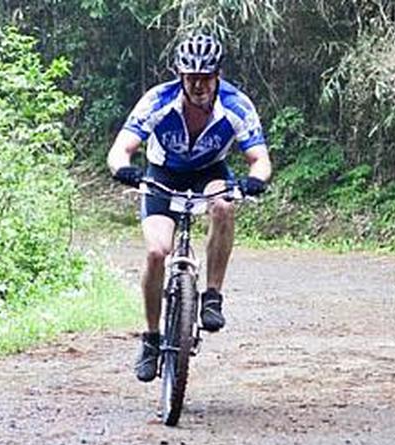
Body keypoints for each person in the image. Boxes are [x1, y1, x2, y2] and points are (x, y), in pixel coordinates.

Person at [107, 33, 272, 382]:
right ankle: (151, 338)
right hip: (162, 173)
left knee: (224, 207)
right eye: (191, 77)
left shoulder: (236, 105)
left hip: (209, 172)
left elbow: (260, 160)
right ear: (180, 76)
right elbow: (120, 149)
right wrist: (125, 170)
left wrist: (255, 180)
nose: (198, 85)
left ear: (218, 76)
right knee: (156, 253)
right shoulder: (157, 100)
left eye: (206, 77)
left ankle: (212, 297)